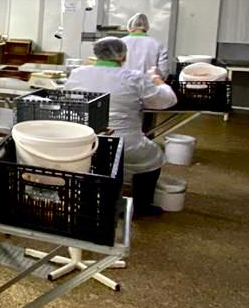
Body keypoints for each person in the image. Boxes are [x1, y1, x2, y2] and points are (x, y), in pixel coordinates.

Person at [65, 36, 177, 217]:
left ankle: (94, 199)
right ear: (123, 56)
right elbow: (166, 101)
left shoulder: (78, 73)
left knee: (99, 161)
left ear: (96, 54)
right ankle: (142, 207)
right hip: (124, 143)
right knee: (154, 156)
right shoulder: (134, 77)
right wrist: (158, 80)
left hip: (84, 141)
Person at [122, 12, 170, 77]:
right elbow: (163, 71)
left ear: (129, 26)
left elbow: (113, 69)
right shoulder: (158, 45)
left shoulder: (120, 43)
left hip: (123, 82)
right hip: (149, 82)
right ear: (147, 26)